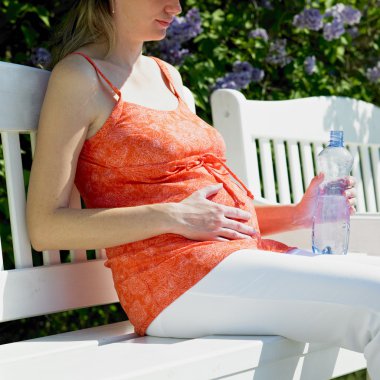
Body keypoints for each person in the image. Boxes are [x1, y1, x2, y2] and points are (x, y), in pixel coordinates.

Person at [25, 1, 380, 378]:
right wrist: (168, 215)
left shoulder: (167, 76)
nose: (175, 6)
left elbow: (208, 213)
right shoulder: (80, 77)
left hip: (232, 262)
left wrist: (297, 213)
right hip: (171, 282)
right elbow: (46, 227)